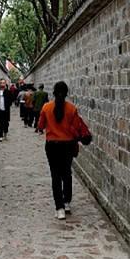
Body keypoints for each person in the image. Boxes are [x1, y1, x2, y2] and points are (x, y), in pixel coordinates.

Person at [37, 81, 92, 220]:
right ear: (66, 93)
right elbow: (76, 128)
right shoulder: (72, 109)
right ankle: (67, 202)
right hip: (67, 146)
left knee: (55, 176)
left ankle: (59, 208)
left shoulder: (46, 107)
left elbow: (40, 125)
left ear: (54, 92)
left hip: (52, 146)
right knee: (67, 173)